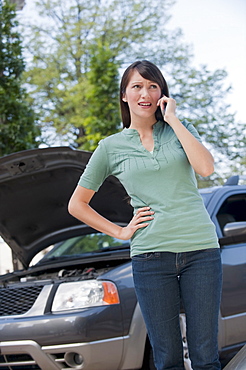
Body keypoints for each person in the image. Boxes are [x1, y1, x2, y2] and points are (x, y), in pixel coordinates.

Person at [68, 60, 222, 370]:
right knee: (167, 359)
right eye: (137, 86)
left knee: (205, 356)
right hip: (151, 258)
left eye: (153, 86)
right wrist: (121, 232)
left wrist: (174, 120)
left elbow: (206, 168)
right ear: (124, 95)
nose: (145, 93)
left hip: (201, 251)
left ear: (162, 93)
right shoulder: (110, 148)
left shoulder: (181, 128)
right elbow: (77, 204)